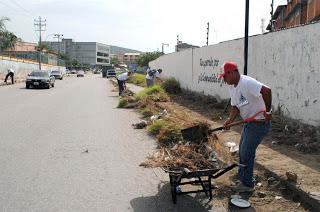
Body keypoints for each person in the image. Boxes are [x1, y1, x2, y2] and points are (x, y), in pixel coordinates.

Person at [218, 61, 272, 192]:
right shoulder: (232, 87)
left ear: (232, 72)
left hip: (259, 124)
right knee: (242, 150)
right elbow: (235, 106)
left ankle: (247, 184)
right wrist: (229, 120)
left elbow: (267, 90)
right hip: (249, 123)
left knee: (247, 153)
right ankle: (243, 177)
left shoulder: (247, 82)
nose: (224, 80)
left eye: (225, 77)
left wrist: (268, 112)